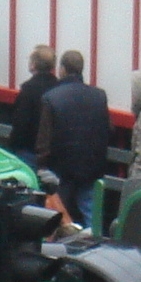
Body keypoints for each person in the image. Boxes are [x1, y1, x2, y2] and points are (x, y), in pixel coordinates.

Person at [36, 50, 111, 227]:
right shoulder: (99, 95)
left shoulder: (51, 98)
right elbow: (108, 129)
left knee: (59, 218)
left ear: (62, 69)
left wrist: (41, 166)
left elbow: (44, 139)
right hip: (91, 167)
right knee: (91, 216)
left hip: (62, 170)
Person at [9, 45, 57, 158]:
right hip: (52, 152)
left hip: (29, 150)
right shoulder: (58, 88)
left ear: (33, 65)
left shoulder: (28, 89)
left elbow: (20, 123)